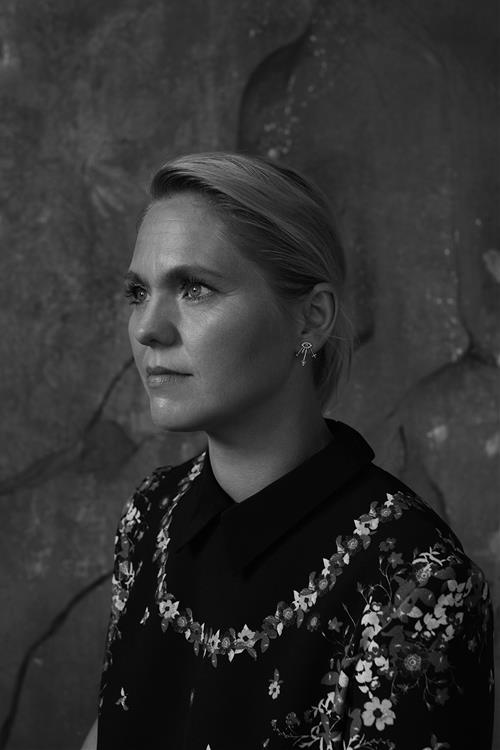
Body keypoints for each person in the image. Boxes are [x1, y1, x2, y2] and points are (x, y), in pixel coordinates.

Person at [82, 152, 494, 750]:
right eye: (137, 292)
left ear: (310, 320)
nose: (148, 328)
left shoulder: (414, 582)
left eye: (194, 288)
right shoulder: (151, 513)